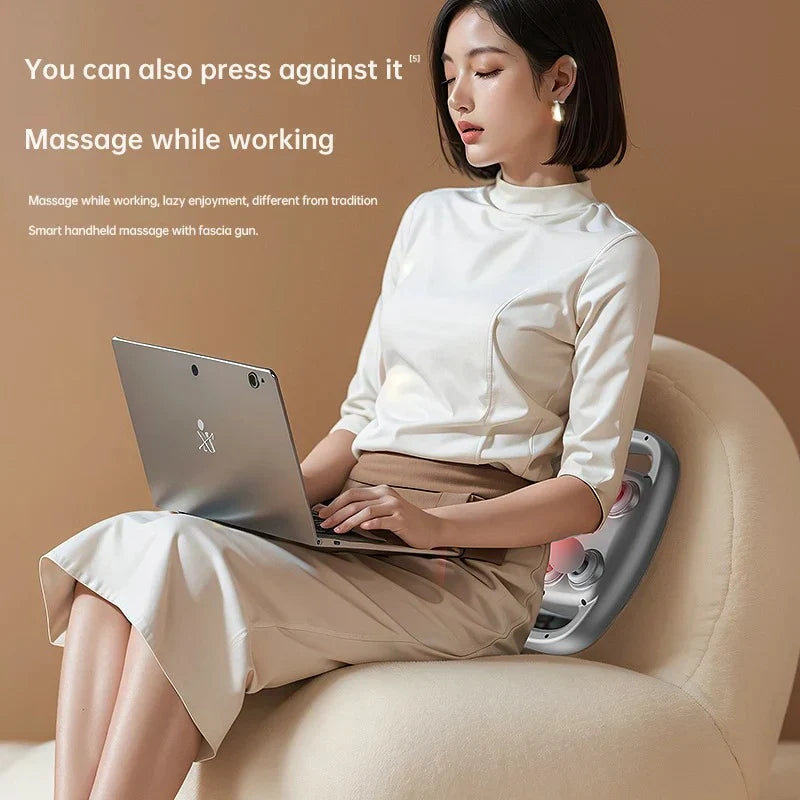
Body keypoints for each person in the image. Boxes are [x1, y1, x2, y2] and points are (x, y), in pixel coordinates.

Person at [37, 1, 660, 798]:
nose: (458, 98)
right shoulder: (429, 219)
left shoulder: (611, 256)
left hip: (466, 571)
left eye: (486, 70)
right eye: (447, 77)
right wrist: (268, 498)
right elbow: (363, 416)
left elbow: (585, 494)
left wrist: (434, 524)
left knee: (182, 568)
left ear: (561, 79)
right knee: (126, 549)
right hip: (359, 524)